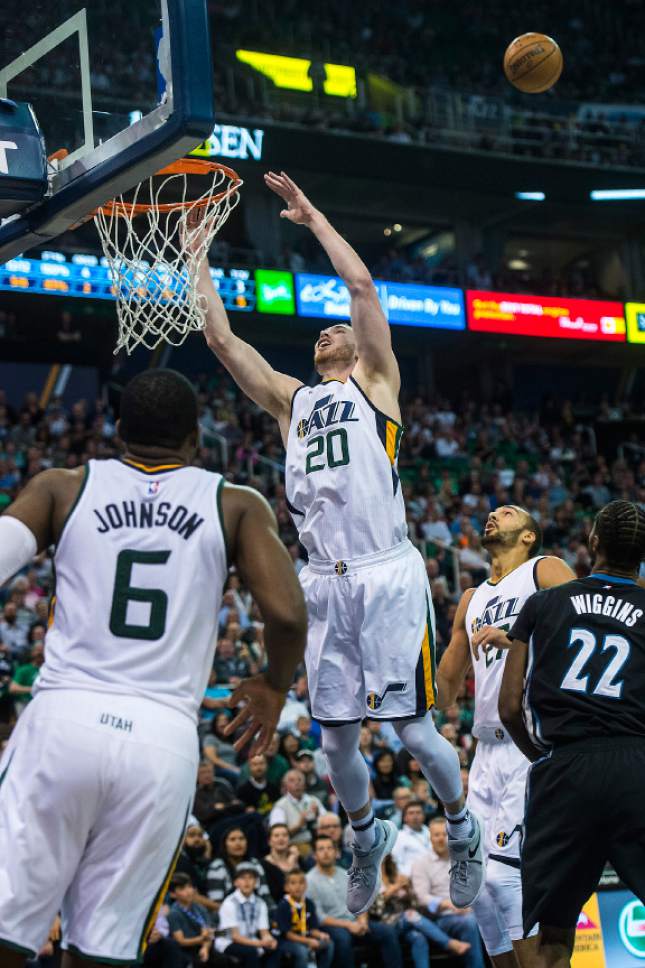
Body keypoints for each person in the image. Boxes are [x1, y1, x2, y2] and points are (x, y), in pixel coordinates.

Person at [191, 171, 483, 915]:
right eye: (320, 332)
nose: (327, 332)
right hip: (322, 578)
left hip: (385, 572)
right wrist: (195, 253)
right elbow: (223, 342)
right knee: (333, 746)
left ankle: (462, 826)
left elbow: (358, 285)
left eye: (337, 331)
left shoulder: (375, 383)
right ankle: (362, 835)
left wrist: (311, 215)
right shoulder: (293, 401)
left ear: (358, 348)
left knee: (414, 732)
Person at [0, 368, 308, 968]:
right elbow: (289, 616)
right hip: (161, 739)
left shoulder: (63, 487)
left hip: (64, 719)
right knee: (105, 947)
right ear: (196, 440)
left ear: (118, 432)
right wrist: (273, 684)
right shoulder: (235, 503)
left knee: (6, 929)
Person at [499, 500, 645, 968]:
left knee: (553, 937)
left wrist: (540, 756)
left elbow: (507, 707)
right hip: (636, 766)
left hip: (564, 767)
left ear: (593, 541)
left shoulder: (544, 603)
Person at [437, 504, 574, 968]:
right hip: (485, 752)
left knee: (504, 880)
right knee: (474, 883)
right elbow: (445, 692)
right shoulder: (471, 598)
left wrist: (519, 635)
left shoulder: (544, 570)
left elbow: (586, 621)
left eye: (508, 512)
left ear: (529, 536)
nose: (494, 515)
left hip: (531, 743)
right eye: (492, 512)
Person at [305, 836, 403, 968]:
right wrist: (348, 925)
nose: (326, 852)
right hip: (331, 925)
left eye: (329, 848)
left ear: (336, 852)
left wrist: (362, 920)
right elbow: (319, 917)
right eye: (321, 849)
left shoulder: (346, 874)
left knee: (387, 932)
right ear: (314, 855)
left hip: (355, 922)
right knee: (343, 938)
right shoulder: (309, 880)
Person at [410, 818, 486, 968]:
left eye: (444, 835)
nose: (441, 839)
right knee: (469, 922)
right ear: (429, 837)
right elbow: (422, 897)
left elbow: (475, 886)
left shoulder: (462, 858)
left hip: (469, 911)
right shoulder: (421, 863)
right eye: (436, 835)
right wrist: (450, 904)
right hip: (441, 918)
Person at [375, 854, 473, 968]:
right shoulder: (372, 879)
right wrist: (391, 891)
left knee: (418, 938)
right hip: (385, 925)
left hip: (405, 923)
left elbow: (414, 904)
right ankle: (449, 943)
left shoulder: (396, 876)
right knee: (410, 915)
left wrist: (408, 890)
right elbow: (374, 910)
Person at [215, 864, 279, 967]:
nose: (247, 882)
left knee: (274, 948)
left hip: (250, 938)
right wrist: (260, 944)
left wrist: (270, 940)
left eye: (251, 878)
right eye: (243, 878)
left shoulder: (260, 903)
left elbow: (264, 932)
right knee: (251, 952)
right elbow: (235, 936)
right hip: (227, 941)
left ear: (256, 882)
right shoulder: (229, 903)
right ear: (236, 882)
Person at [207, 827, 273, 913]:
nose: (238, 843)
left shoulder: (255, 863)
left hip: (257, 912)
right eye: (232, 839)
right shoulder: (217, 866)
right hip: (226, 914)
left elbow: (265, 895)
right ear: (224, 844)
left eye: (241, 839)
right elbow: (216, 901)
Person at [276, 870, 334, 968]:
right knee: (302, 951)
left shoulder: (309, 903)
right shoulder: (283, 905)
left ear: (306, 885)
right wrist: (308, 941)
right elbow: (288, 935)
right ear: (286, 887)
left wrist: (320, 935)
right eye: (293, 883)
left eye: (301, 882)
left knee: (328, 944)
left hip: (305, 937)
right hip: (286, 941)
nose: (298, 886)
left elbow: (312, 929)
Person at [269, 769, 329, 853]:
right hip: (293, 845)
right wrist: (299, 825)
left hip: (318, 842)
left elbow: (328, 823)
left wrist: (318, 816)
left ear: (304, 784)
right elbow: (276, 835)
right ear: (285, 786)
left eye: (300, 780)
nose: (297, 783)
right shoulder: (280, 806)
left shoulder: (313, 801)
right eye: (292, 780)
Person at [167, 873, 220, 966]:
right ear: (172, 894)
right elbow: (181, 941)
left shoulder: (199, 907)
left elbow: (211, 932)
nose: (188, 891)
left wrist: (205, 948)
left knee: (223, 959)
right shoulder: (173, 913)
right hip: (186, 952)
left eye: (190, 887)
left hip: (205, 946)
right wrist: (202, 938)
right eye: (182, 889)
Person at [263, 823, 302, 903]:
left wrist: (294, 862)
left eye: (285, 835)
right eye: (276, 836)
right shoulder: (263, 865)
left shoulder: (298, 860)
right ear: (269, 841)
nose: (281, 839)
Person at [391, 801, 432, 876]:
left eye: (418, 812)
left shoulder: (431, 832)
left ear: (424, 816)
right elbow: (396, 862)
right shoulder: (399, 837)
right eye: (411, 813)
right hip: (411, 877)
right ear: (404, 818)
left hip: (435, 874)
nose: (415, 816)